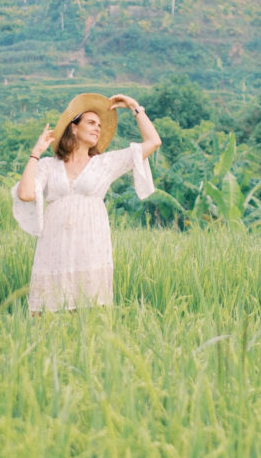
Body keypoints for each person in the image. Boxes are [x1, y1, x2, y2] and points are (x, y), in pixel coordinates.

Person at [11, 93, 161, 313]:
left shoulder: (105, 163)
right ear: (73, 127)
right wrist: (36, 152)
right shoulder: (48, 166)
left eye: (99, 125)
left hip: (90, 243)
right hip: (54, 245)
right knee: (46, 311)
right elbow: (25, 194)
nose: (97, 128)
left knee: (88, 308)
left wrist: (135, 107)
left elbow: (153, 142)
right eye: (91, 122)